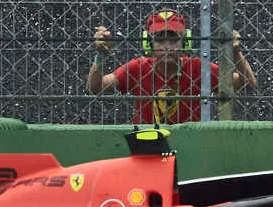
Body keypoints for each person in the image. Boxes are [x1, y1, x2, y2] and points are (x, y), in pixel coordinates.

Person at [86, 10, 257, 124]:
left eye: (173, 39)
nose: (167, 45)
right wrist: (99, 56)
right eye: (160, 40)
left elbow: (248, 83)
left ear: (185, 43)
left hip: (190, 141)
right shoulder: (137, 68)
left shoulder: (197, 67)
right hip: (148, 144)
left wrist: (236, 52)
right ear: (149, 44)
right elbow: (96, 88)